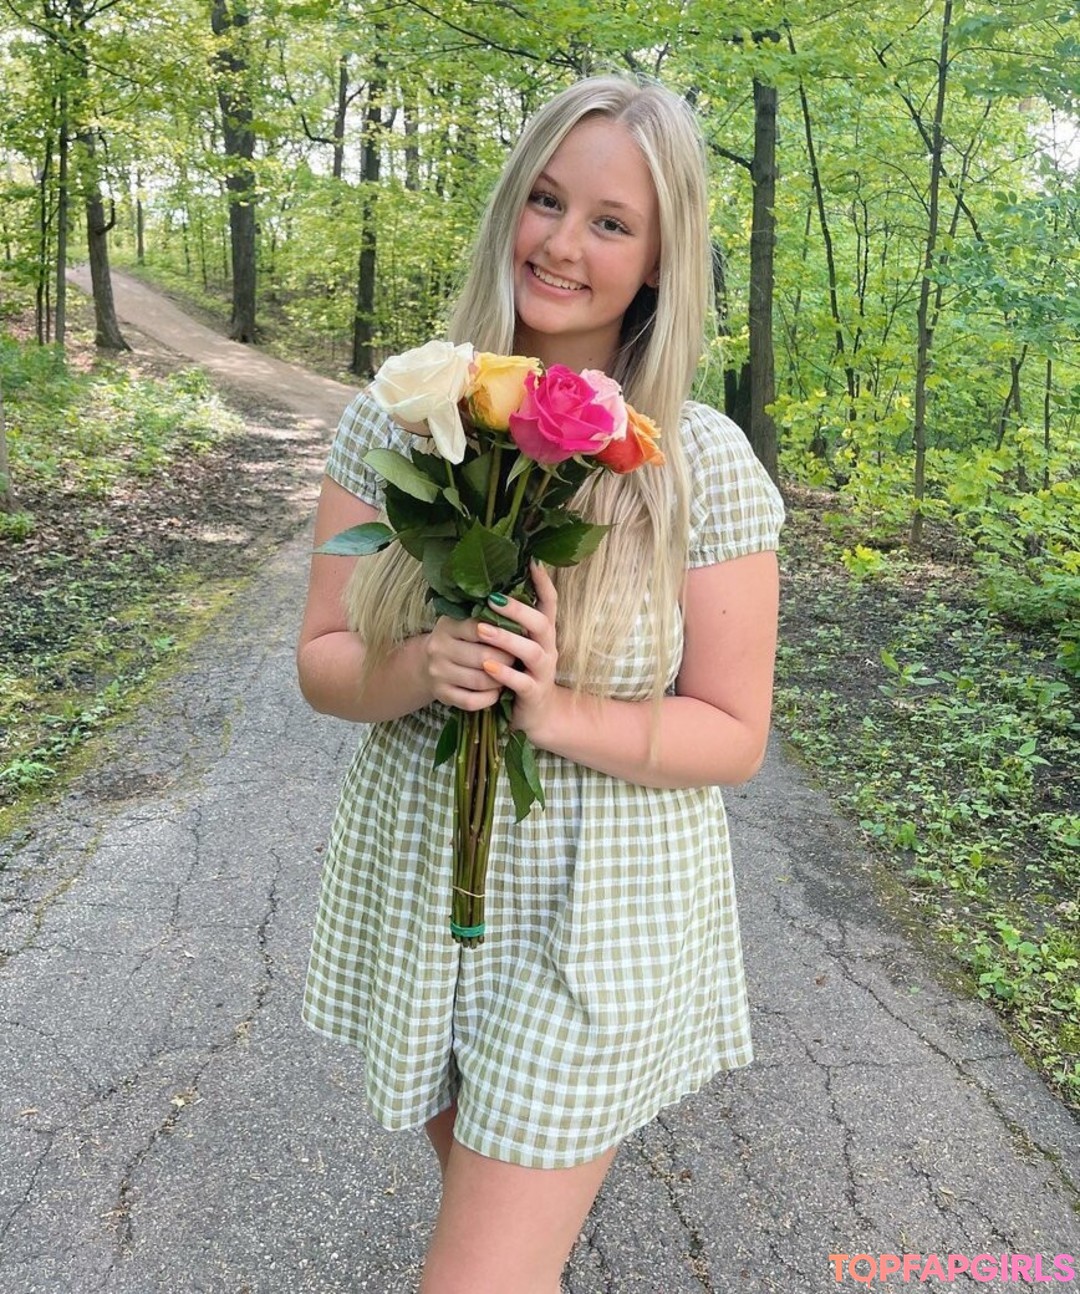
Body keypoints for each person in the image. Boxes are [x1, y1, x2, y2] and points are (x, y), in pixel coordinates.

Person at [296, 74, 784, 1294]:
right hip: (425, 893)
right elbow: (322, 660)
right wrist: (418, 664)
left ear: (660, 260)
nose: (564, 244)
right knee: (499, 1233)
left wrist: (557, 711)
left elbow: (734, 734)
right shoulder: (399, 419)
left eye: (612, 222)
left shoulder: (698, 463)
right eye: (548, 200)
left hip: (595, 913)